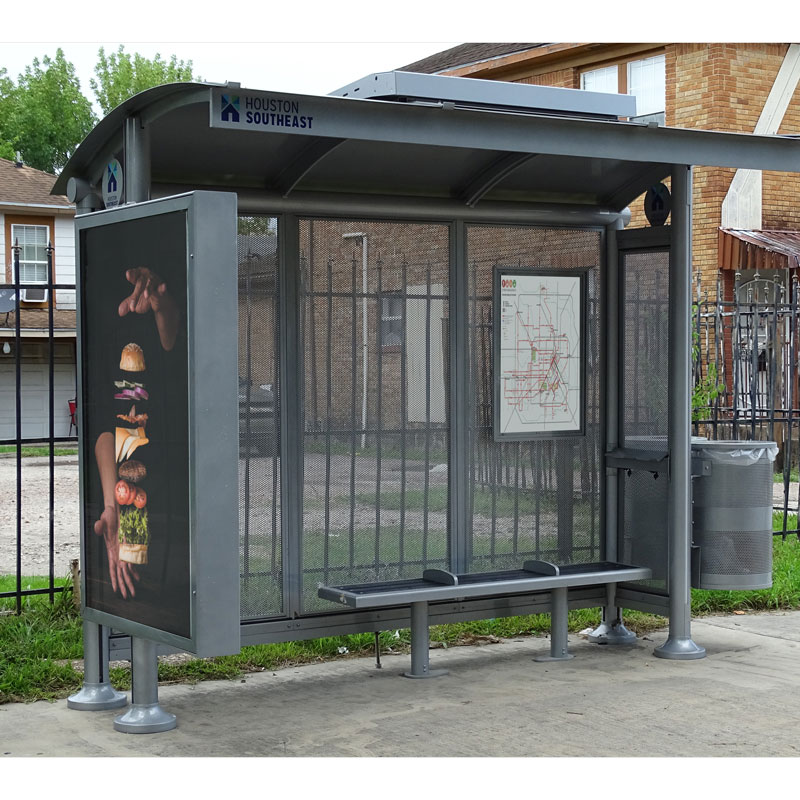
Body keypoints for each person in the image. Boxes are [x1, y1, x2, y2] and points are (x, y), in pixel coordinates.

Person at [92, 268, 179, 599]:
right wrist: (111, 503)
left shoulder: (176, 354)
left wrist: (163, 305)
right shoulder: (113, 351)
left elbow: (174, 339)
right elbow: (104, 427)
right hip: (140, 494)